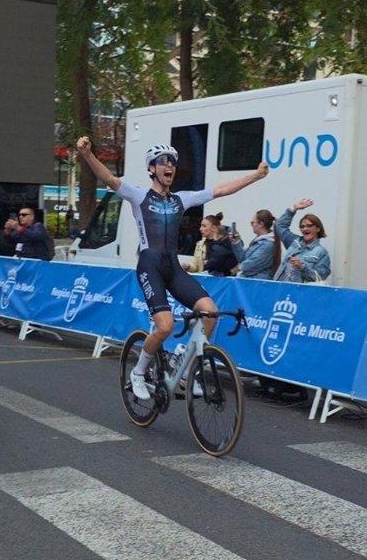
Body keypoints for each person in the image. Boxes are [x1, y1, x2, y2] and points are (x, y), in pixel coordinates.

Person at [76, 136, 268, 401]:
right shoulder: (139, 194)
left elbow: (222, 190)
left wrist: (256, 176)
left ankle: (187, 369)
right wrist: (87, 155)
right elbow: (109, 178)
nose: (169, 166)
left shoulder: (181, 199)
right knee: (164, 327)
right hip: (149, 266)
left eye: (173, 163)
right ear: (152, 168)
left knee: (210, 313)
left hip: (173, 268)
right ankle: (138, 373)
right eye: (163, 162)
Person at [272, 199, 331, 282]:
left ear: (318, 228)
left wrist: (302, 266)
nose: (305, 229)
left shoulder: (321, 252)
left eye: (309, 226)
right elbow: (280, 226)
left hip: (299, 293)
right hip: (280, 289)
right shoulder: (294, 242)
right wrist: (294, 209)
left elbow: (320, 277)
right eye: (302, 226)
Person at [231, 210, 281, 279]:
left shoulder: (268, 244)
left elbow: (251, 264)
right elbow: (243, 259)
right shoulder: (257, 241)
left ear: (261, 224)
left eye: (252, 222)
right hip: (249, 281)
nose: (251, 225)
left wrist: (232, 271)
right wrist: (236, 242)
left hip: (257, 284)